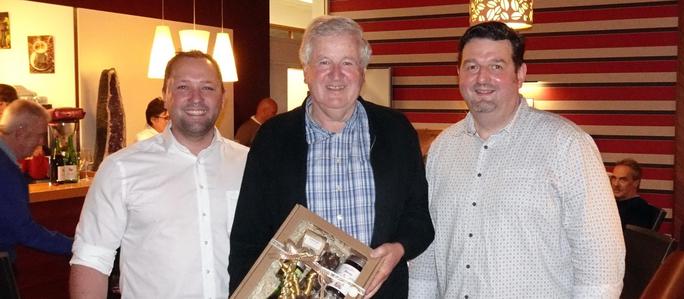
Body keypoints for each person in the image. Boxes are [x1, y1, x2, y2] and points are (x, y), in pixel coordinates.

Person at [408, 21, 625, 298]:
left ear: (520, 74)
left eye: (496, 66)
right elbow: (428, 252)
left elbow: (600, 258)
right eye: (472, 66)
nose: (482, 78)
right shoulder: (442, 149)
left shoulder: (567, 144)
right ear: (458, 74)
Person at [228, 16, 434, 298]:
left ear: (362, 71)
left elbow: (419, 218)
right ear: (306, 71)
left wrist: (400, 247)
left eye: (347, 62)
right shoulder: (273, 138)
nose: (336, 75)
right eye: (324, 62)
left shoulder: (396, 131)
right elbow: (247, 237)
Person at [69, 51, 249, 298]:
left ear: (223, 98)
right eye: (183, 86)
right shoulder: (121, 169)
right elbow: (91, 259)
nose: (196, 98)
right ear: (165, 95)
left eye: (207, 87)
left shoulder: (250, 164)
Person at [0, 99, 73, 261]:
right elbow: (23, 231)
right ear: (20, 132)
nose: (41, 142)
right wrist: (75, 247)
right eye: (39, 135)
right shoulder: (5, 170)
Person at [611, 158, 661, 229]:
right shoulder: (612, 203)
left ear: (636, 183)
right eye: (614, 178)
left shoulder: (641, 210)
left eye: (623, 180)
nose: (616, 184)